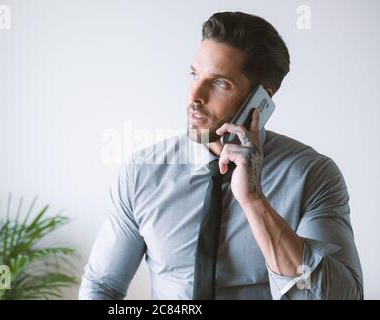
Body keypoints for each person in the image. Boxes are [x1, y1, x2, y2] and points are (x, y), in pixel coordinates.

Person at [79, 11, 363, 300]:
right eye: (195, 74)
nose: (194, 95)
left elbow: (342, 296)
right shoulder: (142, 172)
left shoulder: (312, 175)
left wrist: (253, 201)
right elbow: (102, 286)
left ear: (261, 99)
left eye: (219, 83)